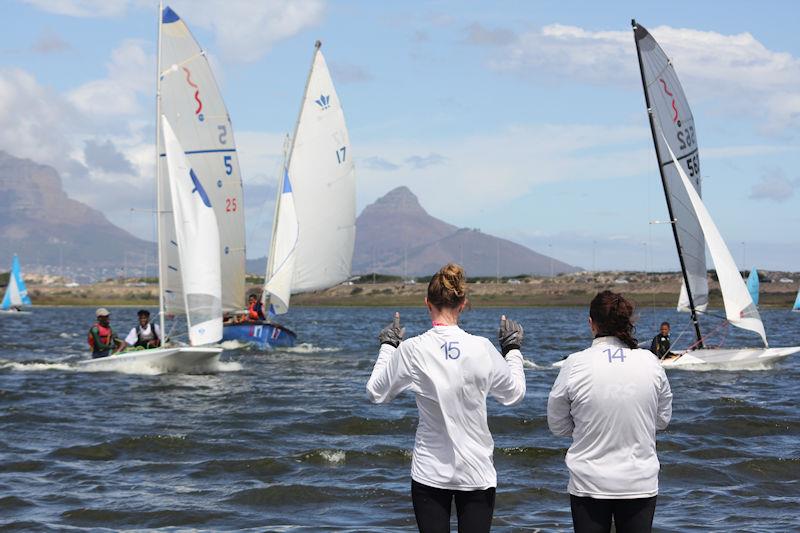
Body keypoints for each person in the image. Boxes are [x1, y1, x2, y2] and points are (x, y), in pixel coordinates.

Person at [366, 263, 526, 533]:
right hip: (477, 472)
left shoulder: (412, 348)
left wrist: (388, 346)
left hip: (429, 472)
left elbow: (376, 392)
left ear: (427, 303)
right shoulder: (482, 348)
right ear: (463, 304)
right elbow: (514, 394)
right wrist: (512, 349)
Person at [548, 291, 672, 533]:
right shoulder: (650, 362)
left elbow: (558, 425)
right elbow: (661, 420)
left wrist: (588, 427)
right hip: (639, 481)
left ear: (591, 323)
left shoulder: (574, 364)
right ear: (629, 323)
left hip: (589, 481)